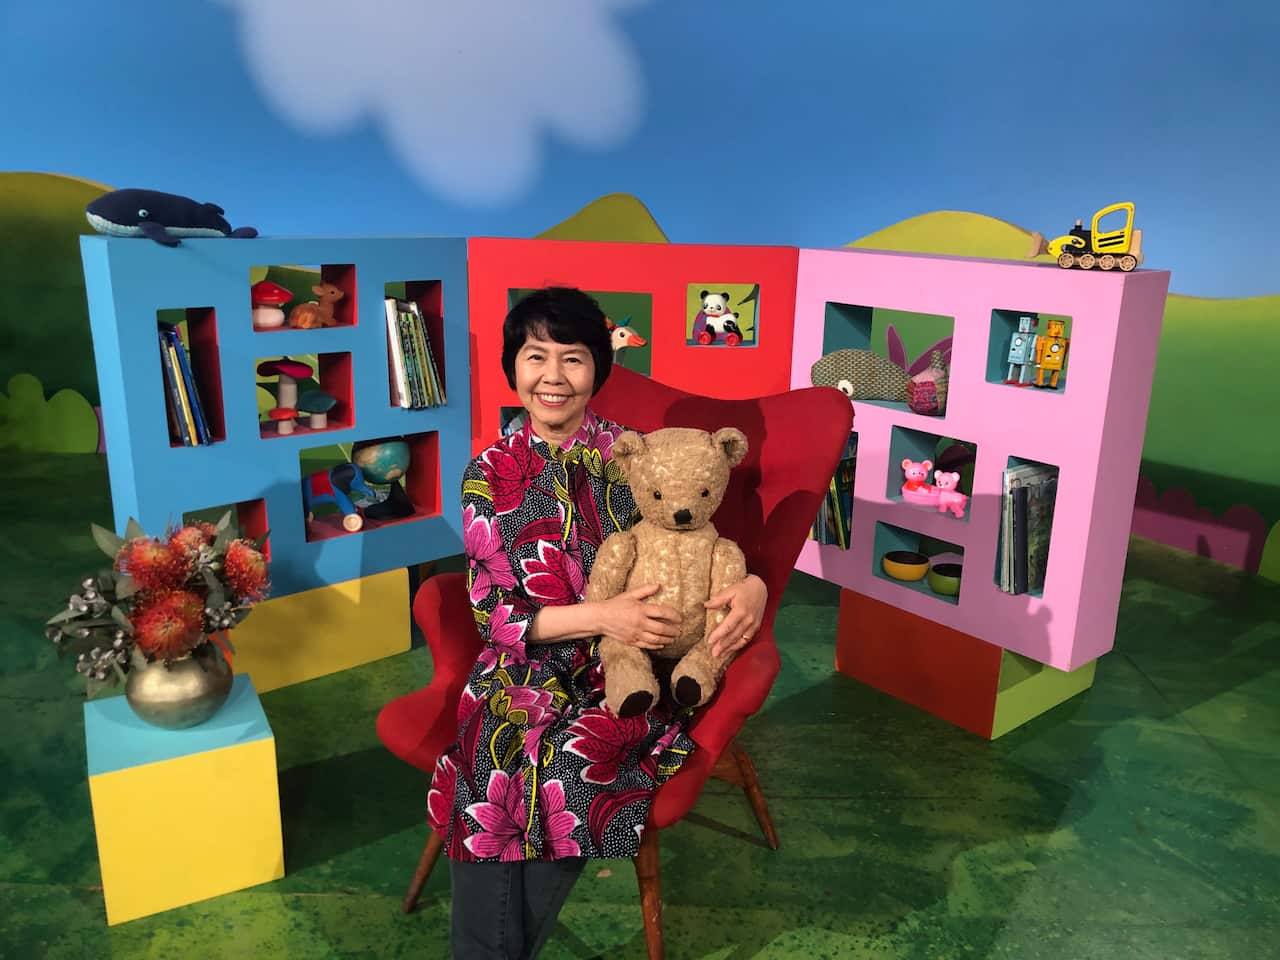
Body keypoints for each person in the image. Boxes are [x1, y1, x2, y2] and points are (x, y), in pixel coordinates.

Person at [426, 286, 768, 958]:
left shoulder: (635, 454)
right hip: (526, 663)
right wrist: (597, 611)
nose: (553, 376)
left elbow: (698, 533)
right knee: (488, 763)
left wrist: (753, 583)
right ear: (513, 366)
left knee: (574, 764)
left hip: (630, 665)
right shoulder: (486, 474)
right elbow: (497, 617)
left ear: (597, 370)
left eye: (573, 358)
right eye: (535, 356)